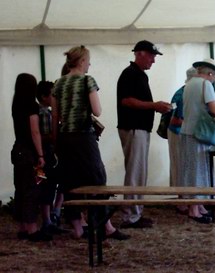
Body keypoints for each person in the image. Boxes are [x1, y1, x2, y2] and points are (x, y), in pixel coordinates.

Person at [51, 45, 130, 240]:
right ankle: (105, 226)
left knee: (69, 181)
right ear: (82, 61)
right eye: (88, 61)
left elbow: (55, 116)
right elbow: (97, 110)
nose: (90, 64)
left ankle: (77, 227)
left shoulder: (58, 84)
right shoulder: (87, 80)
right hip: (83, 137)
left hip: (64, 137)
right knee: (97, 178)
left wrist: (55, 141)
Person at [117, 40, 172, 229]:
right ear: (139, 53)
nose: (153, 60)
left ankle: (135, 213)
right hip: (133, 128)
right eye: (151, 55)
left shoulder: (138, 75)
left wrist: (154, 106)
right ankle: (131, 215)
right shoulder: (130, 74)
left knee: (139, 172)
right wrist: (154, 105)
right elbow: (127, 101)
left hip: (139, 128)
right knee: (135, 173)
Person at [179, 58, 215, 224]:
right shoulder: (206, 85)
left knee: (191, 170)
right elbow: (214, 109)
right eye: (214, 76)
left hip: (186, 131)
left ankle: (198, 206)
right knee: (198, 171)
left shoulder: (189, 84)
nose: (214, 80)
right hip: (199, 133)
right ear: (210, 73)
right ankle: (194, 209)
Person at [11, 73, 52, 242]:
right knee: (35, 188)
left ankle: (22, 227)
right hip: (31, 155)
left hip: (18, 151)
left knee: (20, 189)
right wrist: (41, 155)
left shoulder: (16, 105)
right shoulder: (32, 107)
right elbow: (35, 132)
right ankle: (32, 229)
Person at [36, 80, 65, 234]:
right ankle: (49, 220)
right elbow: (47, 136)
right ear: (43, 96)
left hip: (45, 156)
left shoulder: (42, 112)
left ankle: (49, 219)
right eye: (51, 95)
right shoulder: (45, 113)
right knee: (48, 186)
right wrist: (57, 134)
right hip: (48, 155)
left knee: (47, 185)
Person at [167, 67, 197, 215]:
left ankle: (185, 199)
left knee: (184, 166)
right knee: (179, 165)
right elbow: (175, 120)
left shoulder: (187, 92)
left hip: (183, 133)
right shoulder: (182, 94)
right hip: (177, 133)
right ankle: (181, 201)